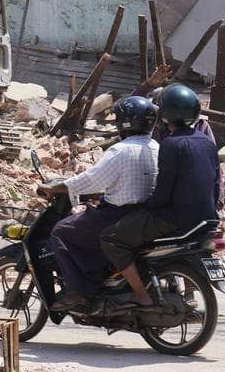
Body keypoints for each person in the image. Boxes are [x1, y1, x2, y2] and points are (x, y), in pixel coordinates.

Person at [99, 84, 221, 310]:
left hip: (175, 218)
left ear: (165, 114)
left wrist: (146, 206)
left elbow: (163, 191)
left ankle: (139, 294)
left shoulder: (170, 144)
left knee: (111, 237)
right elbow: (216, 183)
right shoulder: (206, 142)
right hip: (206, 217)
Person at [37, 96, 159, 312]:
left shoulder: (121, 150)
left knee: (61, 232)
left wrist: (57, 187)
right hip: (145, 216)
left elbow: (93, 180)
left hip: (116, 216)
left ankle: (77, 292)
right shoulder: (156, 147)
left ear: (125, 123)